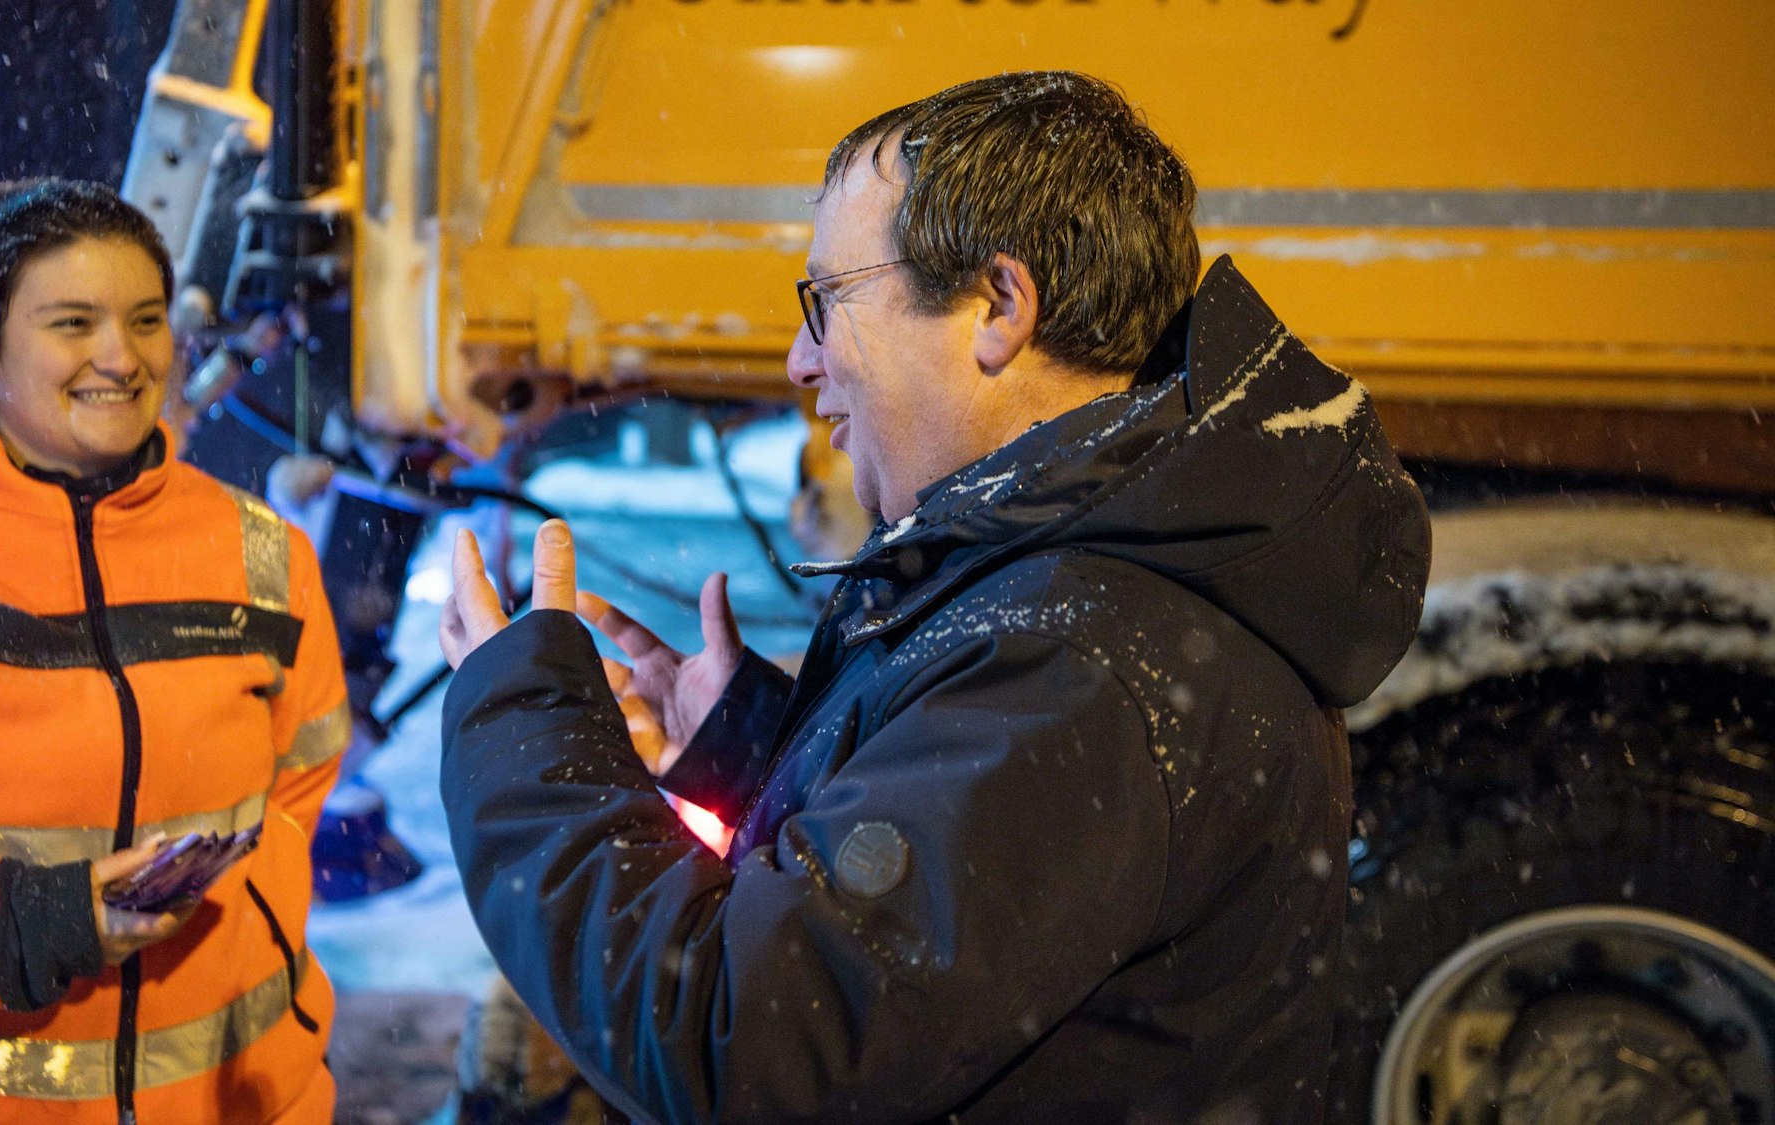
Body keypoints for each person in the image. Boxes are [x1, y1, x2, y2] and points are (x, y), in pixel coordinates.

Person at [436, 71, 1431, 1123]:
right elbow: (952, 901)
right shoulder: (1078, 598)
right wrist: (752, 750)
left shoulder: (1082, 666)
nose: (799, 360)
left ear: (998, 306)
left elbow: (740, 1045)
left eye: (826, 302)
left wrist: (524, 732)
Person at [0, 179, 345, 1124]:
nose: (121, 358)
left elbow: (294, 801)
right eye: (73, 322)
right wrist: (32, 924)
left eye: (147, 319)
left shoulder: (265, 556)